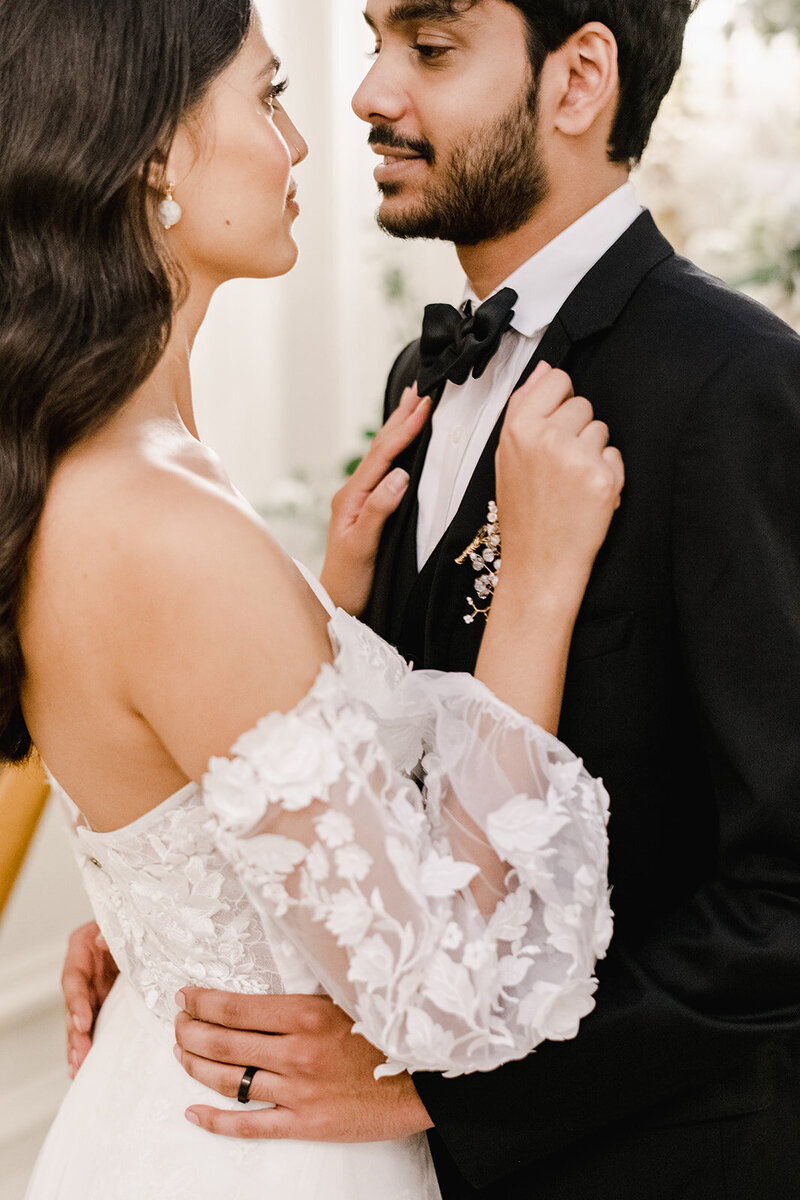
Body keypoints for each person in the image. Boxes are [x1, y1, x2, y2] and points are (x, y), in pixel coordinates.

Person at [63, 1, 799, 1197]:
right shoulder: (425, 375)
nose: (365, 95)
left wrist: (432, 1090)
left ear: (577, 81)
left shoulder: (736, 385)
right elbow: (378, 770)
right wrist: (211, 895)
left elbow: (782, 900)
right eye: (372, 44)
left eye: (431, 49)